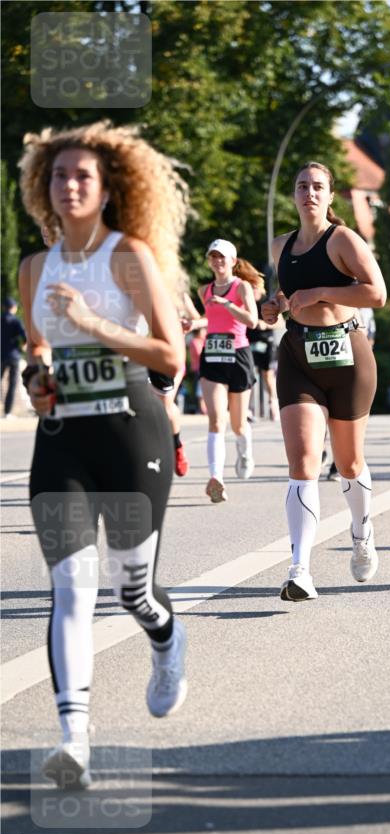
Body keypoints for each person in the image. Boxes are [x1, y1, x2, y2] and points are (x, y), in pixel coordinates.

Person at [18, 121, 189, 789]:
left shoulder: (128, 257)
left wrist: (94, 326)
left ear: (106, 186)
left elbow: (170, 355)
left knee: (132, 590)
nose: (69, 185)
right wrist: (39, 381)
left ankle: (166, 641)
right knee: (70, 589)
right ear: (45, 187)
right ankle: (75, 740)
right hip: (64, 440)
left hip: (130, 432)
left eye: (82, 175)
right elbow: (38, 349)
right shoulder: (34, 267)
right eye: (59, 175)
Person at [262, 161, 386, 600]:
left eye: (318, 187)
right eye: (302, 186)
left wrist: (321, 293)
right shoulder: (281, 246)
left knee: (349, 464)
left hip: (348, 356)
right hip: (298, 354)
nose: (309, 193)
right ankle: (300, 569)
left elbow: (377, 293)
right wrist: (274, 306)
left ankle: (361, 531)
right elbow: (286, 295)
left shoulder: (344, 240)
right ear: (293, 195)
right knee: (303, 463)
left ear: (331, 196)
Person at [197, 239, 259, 503]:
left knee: (238, 424)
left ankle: (245, 451)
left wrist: (229, 305)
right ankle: (216, 479)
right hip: (212, 354)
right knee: (216, 421)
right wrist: (193, 323)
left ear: (233, 261)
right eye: (213, 257)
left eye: (222, 257)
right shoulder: (204, 290)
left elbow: (252, 320)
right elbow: (210, 318)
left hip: (238, 355)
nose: (218, 261)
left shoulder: (241, 287)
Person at [147, 293, 199, 476]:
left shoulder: (175, 291)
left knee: (165, 406)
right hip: (138, 350)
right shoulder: (131, 286)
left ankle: (177, 446)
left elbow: (196, 318)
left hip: (166, 354)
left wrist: (187, 322)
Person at [247, 281, 280, 421]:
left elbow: (281, 322)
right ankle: (249, 408)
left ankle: (273, 403)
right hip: (250, 342)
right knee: (250, 374)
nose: (252, 291)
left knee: (268, 375)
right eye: (250, 288)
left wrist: (265, 324)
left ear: (260, 289)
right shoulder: (246, 301)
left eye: (254, 288)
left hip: (266, 343)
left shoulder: (267, 301)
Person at [1, 296, 26, 417]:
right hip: (13, 356)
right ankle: (7, 412)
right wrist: (23, 346)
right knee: (12, 384)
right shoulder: (16, 321)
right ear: (14, 308)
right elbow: (24, 337)